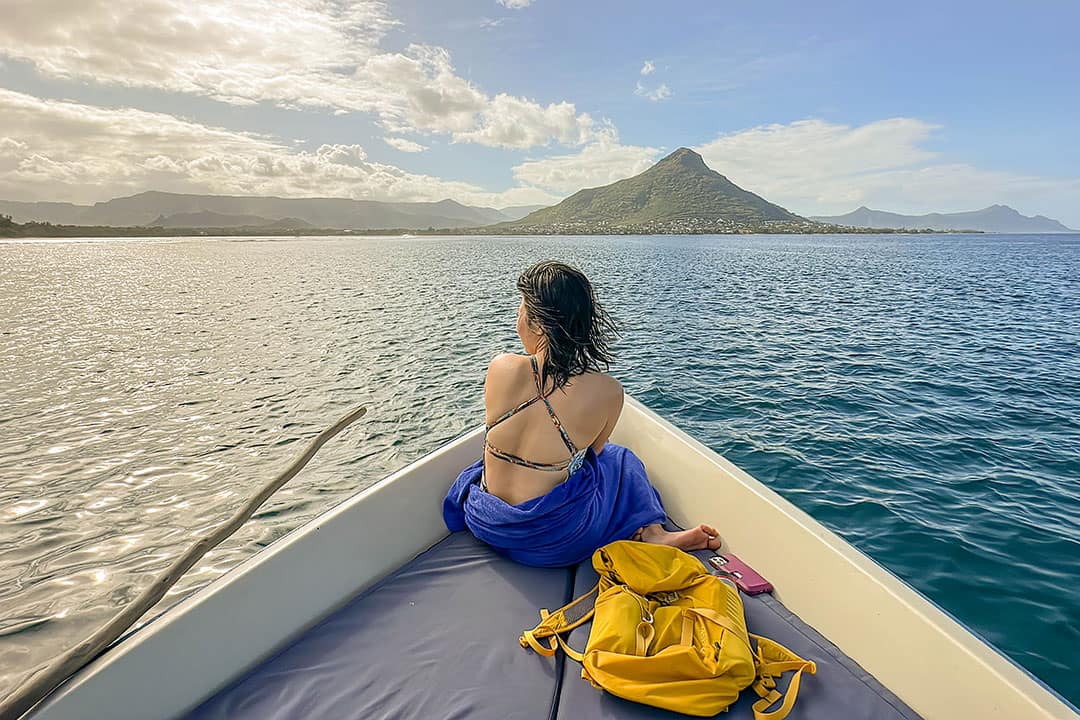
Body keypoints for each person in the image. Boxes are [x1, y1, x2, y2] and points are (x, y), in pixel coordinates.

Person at [442, 260, 721, 567]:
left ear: (537, 323)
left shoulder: (500, 367)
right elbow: (594, 456)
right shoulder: (608, 392)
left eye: (520, 310)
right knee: (619, 459)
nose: (517, 320)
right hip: (553, 544)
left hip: (486, 523)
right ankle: (655, 532)